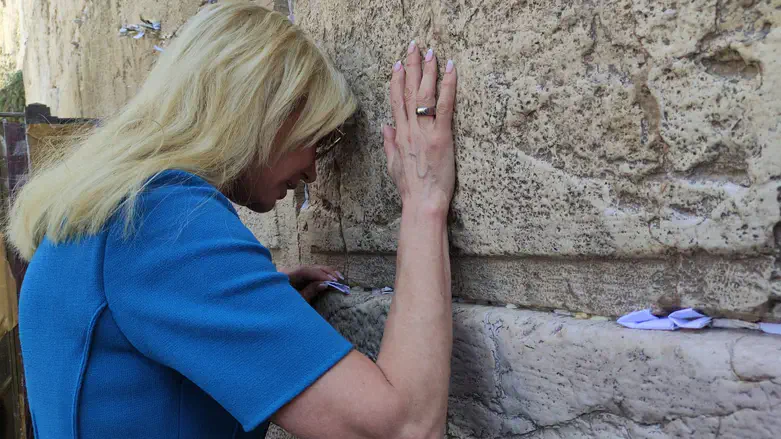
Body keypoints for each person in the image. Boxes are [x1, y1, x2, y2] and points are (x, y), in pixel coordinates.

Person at [7, 2, 457, 438]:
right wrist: (423, 200)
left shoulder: (101, 213)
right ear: (264, 111)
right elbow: (403, 427)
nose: (312, 173)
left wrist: (245, 306)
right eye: (317, 140)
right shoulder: (162, 220)